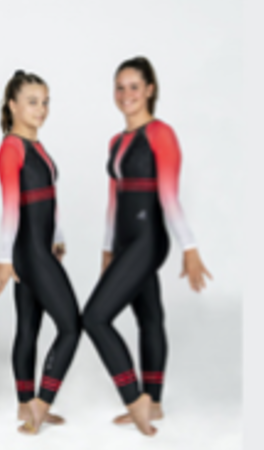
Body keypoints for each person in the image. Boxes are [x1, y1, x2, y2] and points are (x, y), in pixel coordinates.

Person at [82, 56, 213, 437]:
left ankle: (134, 398)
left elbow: (170, 197)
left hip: (149, 238)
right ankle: (153, 401)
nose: (126, 94)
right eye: (120, 87)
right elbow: (113, 201)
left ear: (150, 90)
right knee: (149, 316)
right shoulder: (116, 141)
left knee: (94, 317)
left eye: (134, 87)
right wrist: (107, 251)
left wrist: (189, 248)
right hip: (125, 241)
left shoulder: (161, 134)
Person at [0, 70, 81, 435]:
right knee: (71, 326)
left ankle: (25, 406)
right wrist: (4, 259)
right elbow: (11, 207)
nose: (41, 109)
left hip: (41, 248)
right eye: (32, 102)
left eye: (45, 102)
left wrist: (57, 235)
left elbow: (48, 198)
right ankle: (41, 406)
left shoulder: (37, 146)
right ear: (12, 105)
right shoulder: (11, 147)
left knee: (28, 326)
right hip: (28, 251)